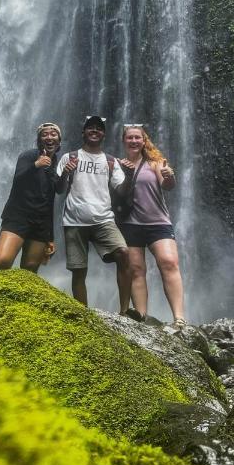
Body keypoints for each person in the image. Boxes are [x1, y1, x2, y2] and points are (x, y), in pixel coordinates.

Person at [55, 115, 131, 311]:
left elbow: (122, 191)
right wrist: (65, 173)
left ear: (104, 134)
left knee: (123, 253)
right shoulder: (69, 157)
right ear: (83, 132)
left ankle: (125, 311)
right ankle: (84, 314)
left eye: (99, 128)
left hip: (103, 219)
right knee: (79, 271)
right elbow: (58, 189)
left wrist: (130, 175)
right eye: (91, 128)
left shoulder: (111, 161)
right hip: (74, 220)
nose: (95, 130)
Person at [117, 124, 185, 327]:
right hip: (130, 224)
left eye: (138, 137)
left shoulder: (155, 163)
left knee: (169, 262)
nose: (134, 141)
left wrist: (169, 176)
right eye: (130, 138)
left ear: (144, 141)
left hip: (158, 223)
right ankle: (141, 319)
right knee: (136, 270)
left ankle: (179, 318)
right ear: (124, 141)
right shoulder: (118, 165)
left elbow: (167, 185)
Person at [0, 122, 61, 273]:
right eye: (44, 134)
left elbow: (50, 202)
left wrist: (50, 237)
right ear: (39, 140)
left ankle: (18, 297)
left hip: (40, 224)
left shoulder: (57, 164)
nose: (49, 137)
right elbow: (17, 180)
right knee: (2, 261)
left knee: (29, 270)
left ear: (59, 141)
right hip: (18, 217)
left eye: (53, 134)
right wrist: (35, 165)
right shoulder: (29, 156)